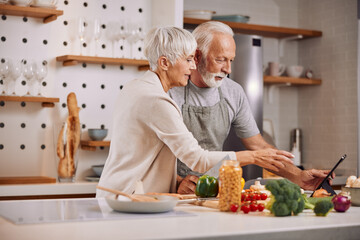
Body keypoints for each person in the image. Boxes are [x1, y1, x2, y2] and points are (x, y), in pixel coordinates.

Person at [96, 26, 293, 197]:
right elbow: (198, 159)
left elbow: (143, 154)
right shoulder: (157, 101)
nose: (193, 67)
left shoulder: (134, 87)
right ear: (164, 63)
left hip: (115, 192)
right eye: (189, 59)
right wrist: (254, 157)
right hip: (129, 197)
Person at [168, 21, 333, 194]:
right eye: (220, 60)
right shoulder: (171, 90)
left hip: (214, 190)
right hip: (172, 191)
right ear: (196, 56)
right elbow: (152, 153)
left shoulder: (233, 92)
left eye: (231, 60)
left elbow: (259, 148)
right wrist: (178, 182)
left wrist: (298, 176)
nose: (228, 69)